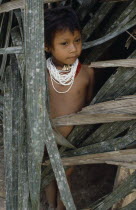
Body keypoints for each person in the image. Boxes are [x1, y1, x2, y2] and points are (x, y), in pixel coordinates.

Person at [44, 6, 94, 210]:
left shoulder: (87, 73)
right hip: (47, 137)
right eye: (64, 43)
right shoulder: (41, 75)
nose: (74, 49)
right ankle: (50, 204)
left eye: (77, 41)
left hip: (73, 141)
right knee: (48, 175)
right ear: (48, 46)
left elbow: (89, 106)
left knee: (64, 176)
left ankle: (60, 207)